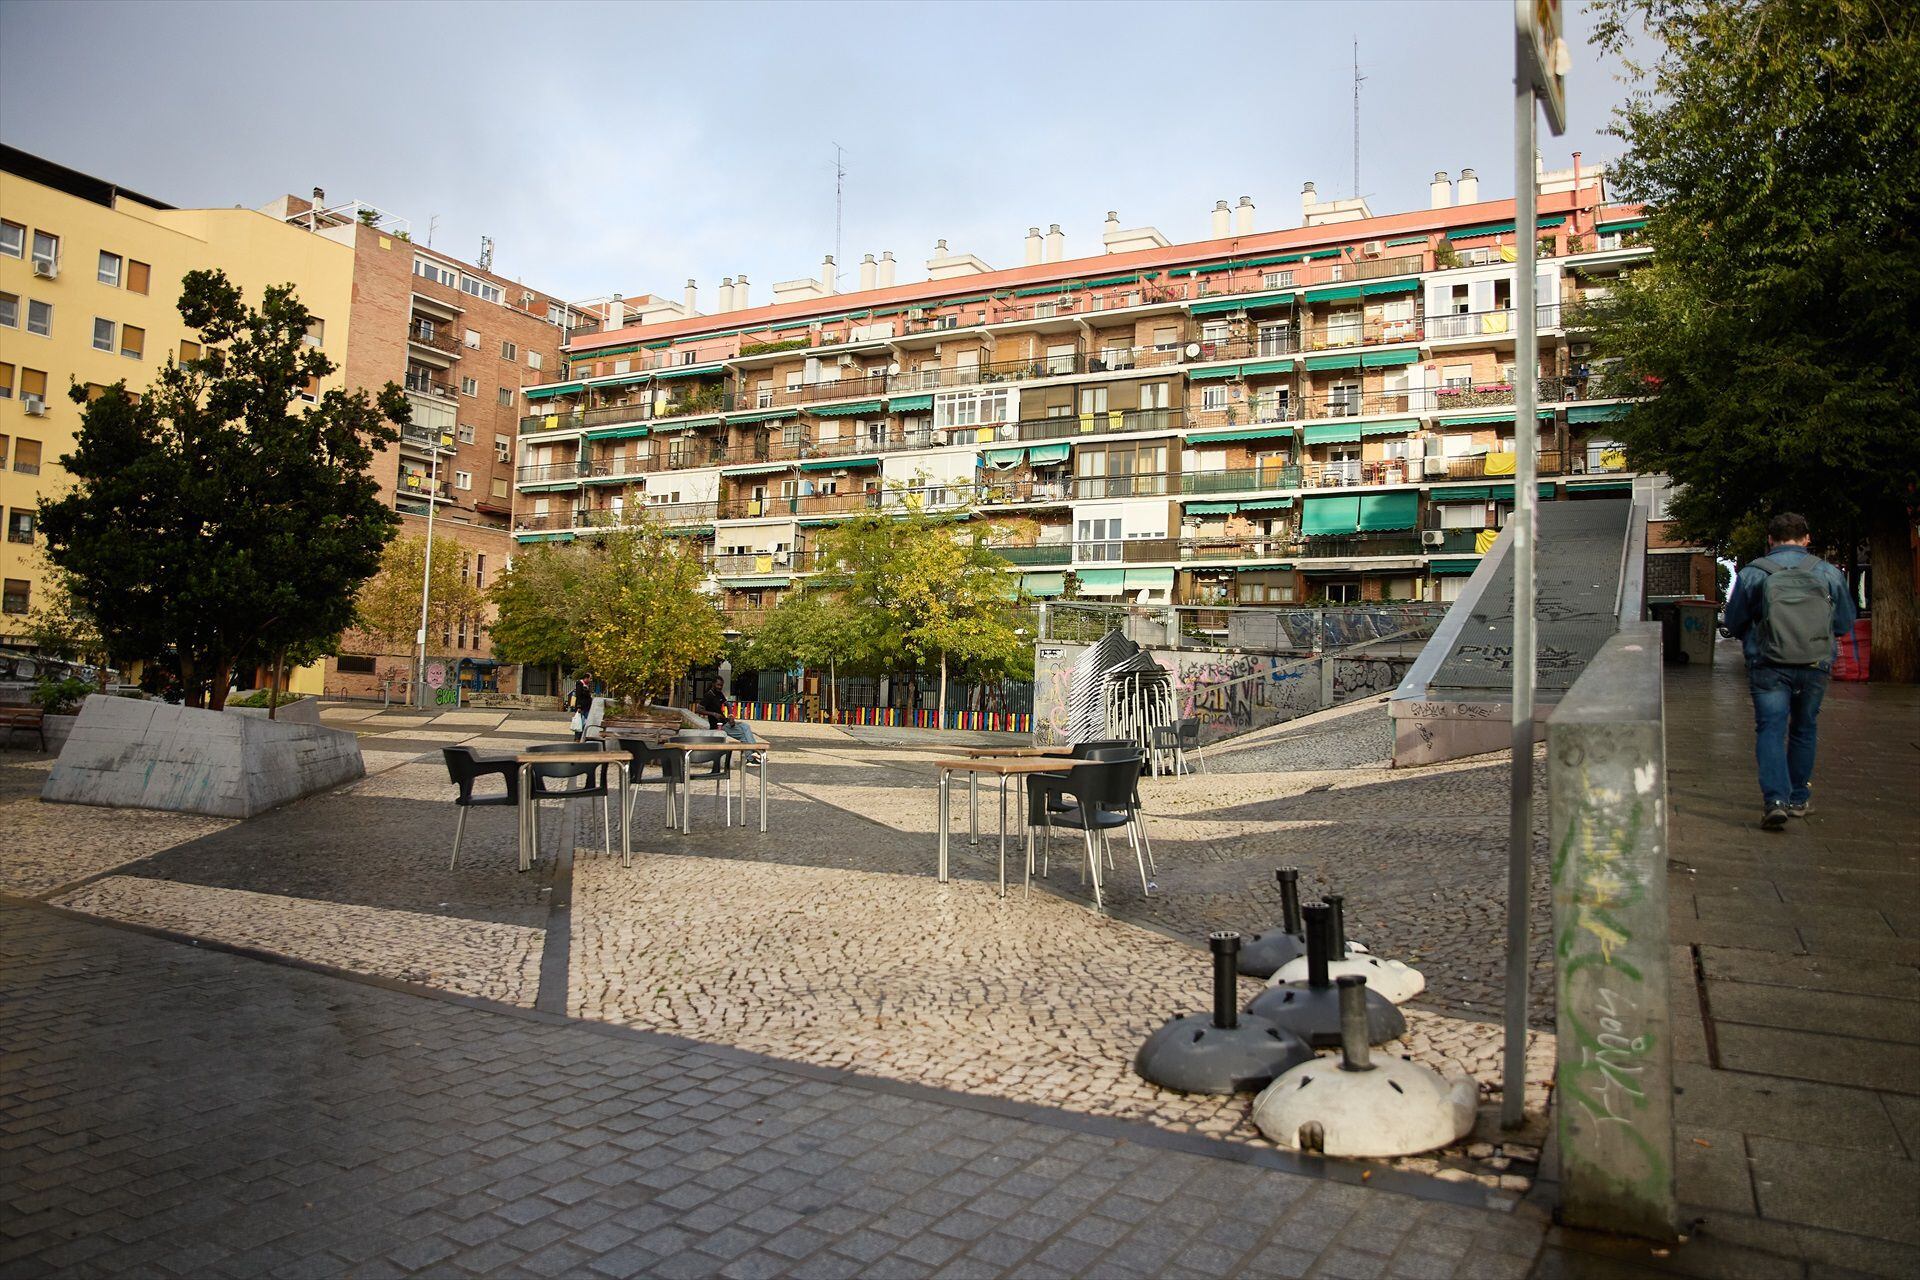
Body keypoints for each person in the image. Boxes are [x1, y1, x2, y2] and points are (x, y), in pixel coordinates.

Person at [1721, 512, 1856, 831]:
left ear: (1770, 539)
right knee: (1804, 728)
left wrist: (1757, 636)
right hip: (1814, 663)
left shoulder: (1755, 572)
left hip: (1768, 664)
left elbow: (1734, 621)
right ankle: (1798, 799)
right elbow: (1844, 623)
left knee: (1770, 728)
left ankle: (1775, 801)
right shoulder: (1827, 572)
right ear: (1807, 538)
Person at [696, 683, 762, 759]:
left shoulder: (719, 694)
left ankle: (754, 751)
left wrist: (730, 715)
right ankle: (751, 757)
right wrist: (713, 714)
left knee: (745, 726)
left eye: (721, 685)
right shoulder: (708, 695)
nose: (720, 687)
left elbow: (728, 704)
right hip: (718, 725)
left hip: (725, 721)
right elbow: (698, 710)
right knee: (744, 736)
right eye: (718, 685)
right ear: (713, 684)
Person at [565, 674, 595, 742]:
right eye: (590, 678)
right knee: (579, 723)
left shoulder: (588, 685)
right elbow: (578, 696)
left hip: (587, 707)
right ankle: (577, 738)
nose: (590, 680)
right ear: (585, 678)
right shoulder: (579, 684)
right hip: (581, 707)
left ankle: (582, 737)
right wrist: (579, 706)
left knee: (586, 723)